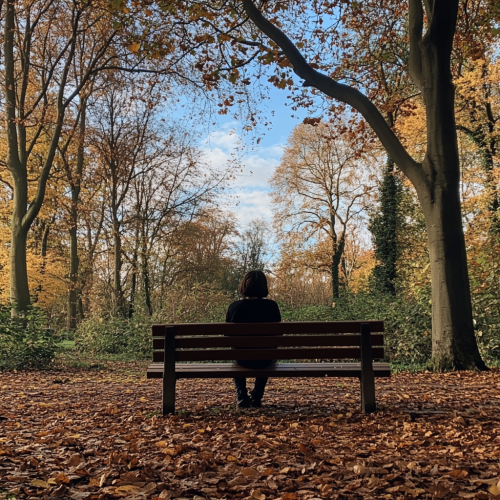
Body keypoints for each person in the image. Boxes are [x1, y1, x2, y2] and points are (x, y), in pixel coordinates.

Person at [226, 270, 281, 408]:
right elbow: (278, 335)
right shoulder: (271, 306)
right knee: (268, 352)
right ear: (264, 287)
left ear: (244, 286)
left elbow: (228, 336)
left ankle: (241, 396)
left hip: (241, 359)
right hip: (265, 359)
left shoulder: (234, 307)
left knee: (236, 352)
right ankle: (257, 396)